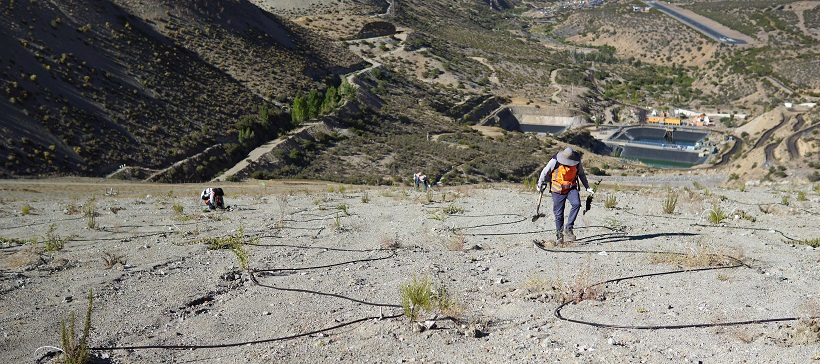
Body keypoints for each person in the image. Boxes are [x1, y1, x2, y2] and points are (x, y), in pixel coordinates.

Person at [536, 148, 594, 244]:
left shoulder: (576, 161)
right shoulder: (554, 161)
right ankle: (559, 236)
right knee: (559, 214)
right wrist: (540, 185)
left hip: (571, 187)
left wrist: (587, 187)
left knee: (576, 204)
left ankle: (568, 228)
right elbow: (544, 172)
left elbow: (581, 174)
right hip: (557, 190)